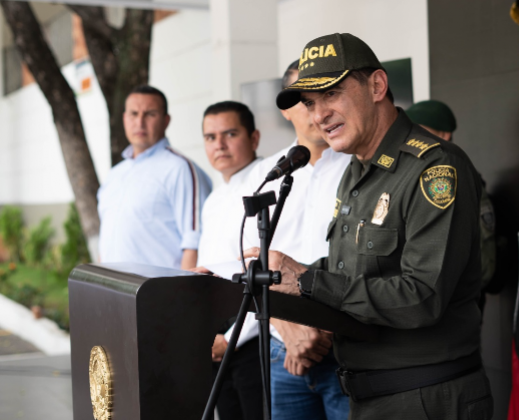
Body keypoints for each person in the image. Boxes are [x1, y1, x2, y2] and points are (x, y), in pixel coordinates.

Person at [246, 33, 493, 419]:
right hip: (367, 396)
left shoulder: (434, 168)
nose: (318, 115)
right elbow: (354, 271)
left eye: (332, 94)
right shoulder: (358, 169)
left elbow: (422, 296)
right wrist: (287, 273)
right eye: (310, 103)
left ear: (377, 86)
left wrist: (307, 282)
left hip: (425, 398)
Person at [231, 60, 350, 420]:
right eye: (303, 99)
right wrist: (289, 328)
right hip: (283, 351)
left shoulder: (359, 166)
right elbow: (249, 260)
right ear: (286, 108)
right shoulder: (264, 175)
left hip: (347, 347)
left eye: (324, 96)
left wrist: (321, 332)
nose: (315, 111)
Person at [196, 101, 263, 420]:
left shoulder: (265, 186)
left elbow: (265, 272)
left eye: (230, 133)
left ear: (254, 138)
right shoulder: (212, 199)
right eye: (210, 137)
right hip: (218, 336)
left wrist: (235, 336)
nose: (219, 145)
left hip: (252, 334)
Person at [98, 85, 212, 270]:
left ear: (166, 120)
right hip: (113, 288)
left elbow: (195, 241)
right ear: (125, 119)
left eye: (150, 114)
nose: (140, 122)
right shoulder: (114, 174)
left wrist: (182, 296)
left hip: (158, 293)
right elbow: (106, 236)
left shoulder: (180, 169)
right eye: (134, 114)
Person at [406, 100, 497, 292]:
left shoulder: (460, 180)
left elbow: (483, 258)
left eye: (419, 131)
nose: (411, 139)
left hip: (456, 301)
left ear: (444, 134)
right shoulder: (411, 178)